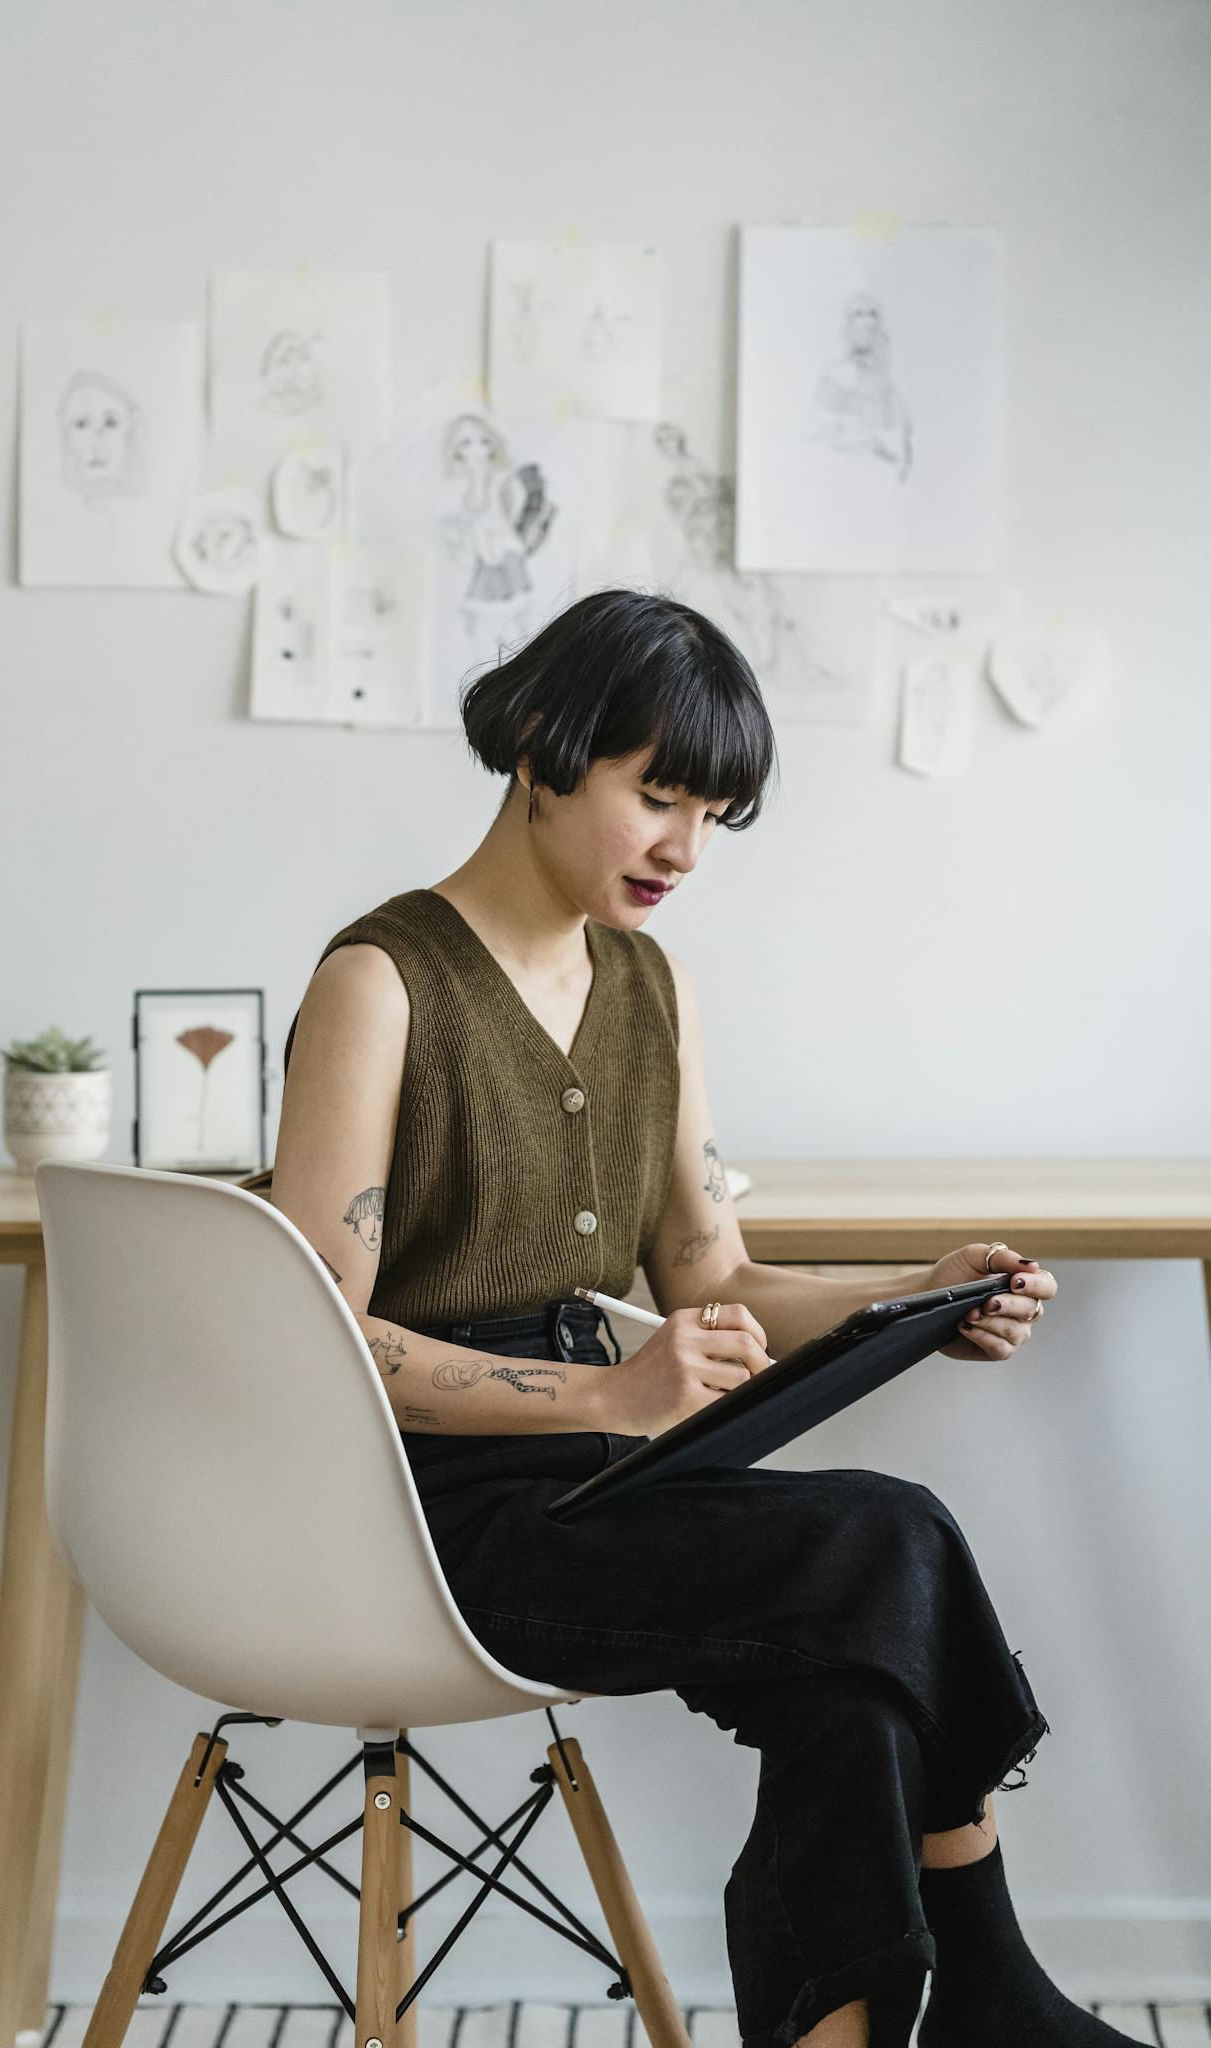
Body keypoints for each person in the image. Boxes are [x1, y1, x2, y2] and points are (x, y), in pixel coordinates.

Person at [271, 588, 1135, 2048]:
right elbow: (316, 1335)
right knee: (888, 1533)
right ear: (545, 750)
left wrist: (910, 1299)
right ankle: (989, 1990)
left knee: (850, 1693)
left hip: (612, 1494)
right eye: (653, 793)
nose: (682, 847)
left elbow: (713, 1280)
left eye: (712, 812)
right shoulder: (382, 982)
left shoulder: (648, 986)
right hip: (428, 1522)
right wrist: (608, 1398)